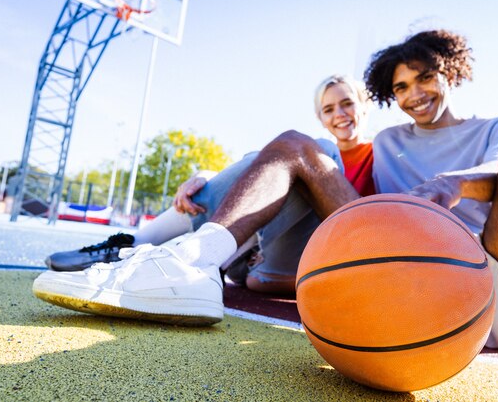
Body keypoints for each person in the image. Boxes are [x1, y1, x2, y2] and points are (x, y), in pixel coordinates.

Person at [33, 30, 498, 349]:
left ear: (450, 71)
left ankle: (217, 258)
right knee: (297, 144)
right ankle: (189, 263)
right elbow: (298, 165)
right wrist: (213, 177)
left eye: (425, 76)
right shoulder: (385, 141)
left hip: (496, 273)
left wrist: (451, 183)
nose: (414, 93)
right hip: (408, 280)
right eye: (400, 86)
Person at [43, 75, 375, 294]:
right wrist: (206, 174)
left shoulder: (381, 154)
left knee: (316, 150)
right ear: (321, 115)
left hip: (307, 258)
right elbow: (261, 166)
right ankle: (133, 248)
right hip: (255, 254)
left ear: (365, 105)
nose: (340, 114)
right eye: (329, 108)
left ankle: (172, 251)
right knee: (284, 153)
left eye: (347, 103)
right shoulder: (302, 149)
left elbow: (381, 220)